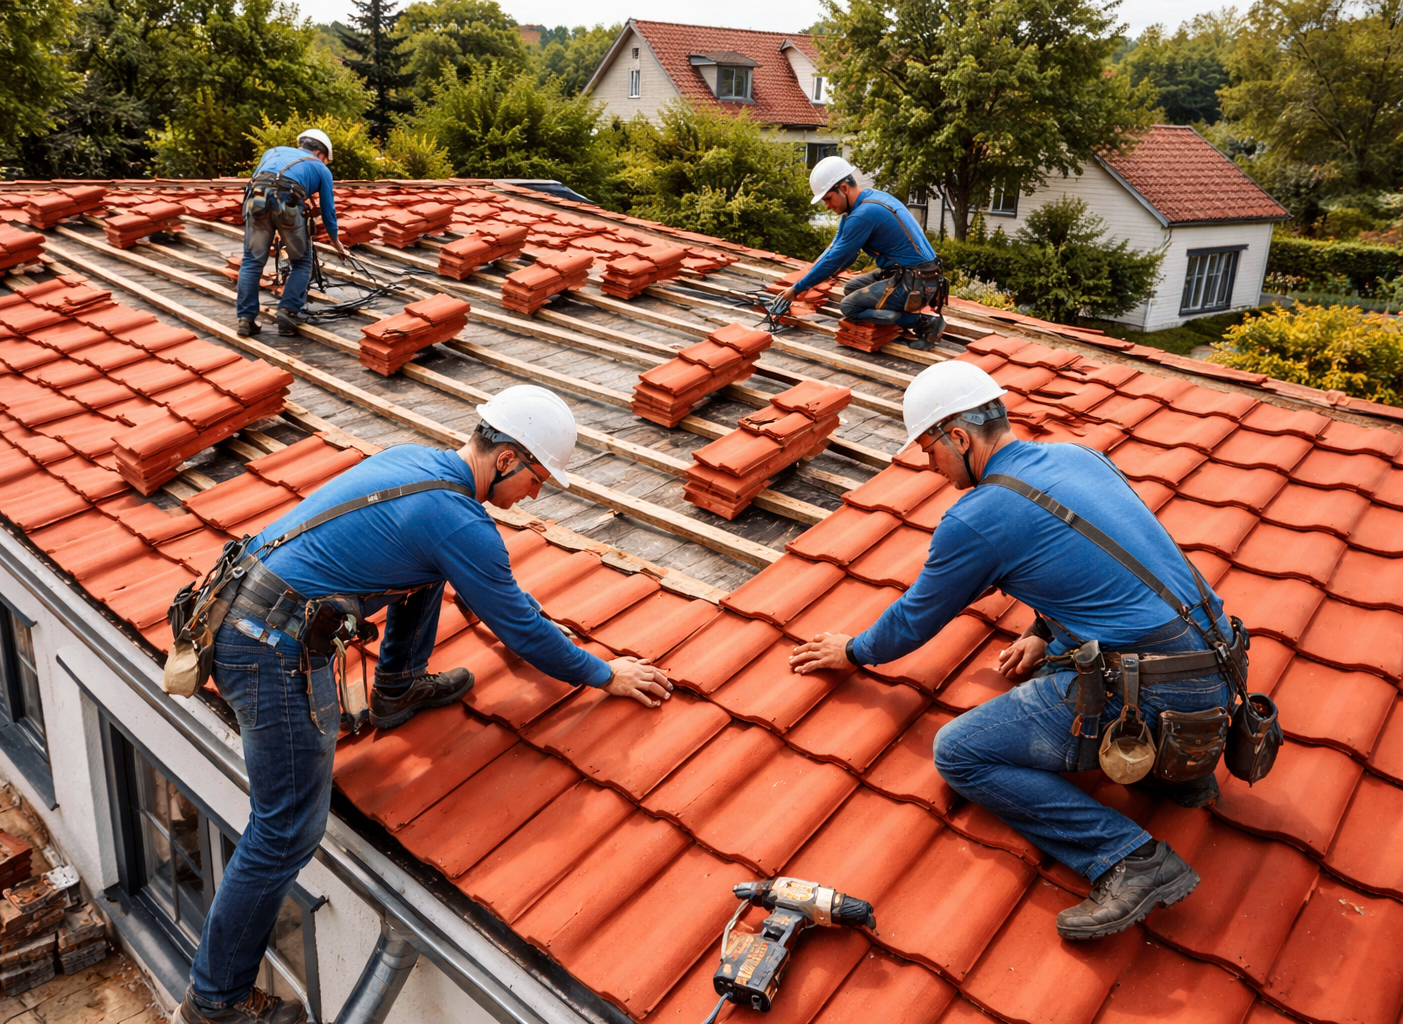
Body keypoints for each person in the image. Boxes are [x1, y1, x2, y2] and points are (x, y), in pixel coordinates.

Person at [174, 386, 673, 1024]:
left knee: (426, 568)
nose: (537, 496)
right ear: (509, 460)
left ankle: (397, 686)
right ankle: (216, 1001)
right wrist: (604, 674)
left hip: (244, 607)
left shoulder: (417, 464)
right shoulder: (460, 522)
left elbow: (459, 582)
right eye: (538, 479)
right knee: (286, 828)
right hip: (268, 650)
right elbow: (520, 627)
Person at [787, 361, 1247, 941]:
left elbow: (916, 618)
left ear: (958, 437)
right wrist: (1043, 631)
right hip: (1220, 664)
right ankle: (1181, 774)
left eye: (929, 451)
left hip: (1156, 691)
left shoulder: (978, 518)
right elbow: (1109, 557)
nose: (929, 466)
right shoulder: (1080, 457)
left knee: (959, 752)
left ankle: (1130, 861)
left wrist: (853, 651)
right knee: (1069, 659)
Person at [771, 156, 947, 349]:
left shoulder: (863, 215)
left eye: (828, 198)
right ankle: (896, 314)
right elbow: (836, 251)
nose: (827, 206)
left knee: (849, 306)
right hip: (912, 275)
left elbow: (833, 260)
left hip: (916, 283)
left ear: (844, 188)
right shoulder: (865, 203)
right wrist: (809, 279)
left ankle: (924, 323)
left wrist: (797, 289)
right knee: (851, 289)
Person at [236, 127, 349, 340]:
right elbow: (328, 212)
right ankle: (287, 312)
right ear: (321, 154)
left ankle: (245, 319)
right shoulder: (321, 168)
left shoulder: (272, 152)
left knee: (251, 261)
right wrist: (336, 242)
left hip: (256, 202)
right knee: (302, 262)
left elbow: (254, 184)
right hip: (287, 203)